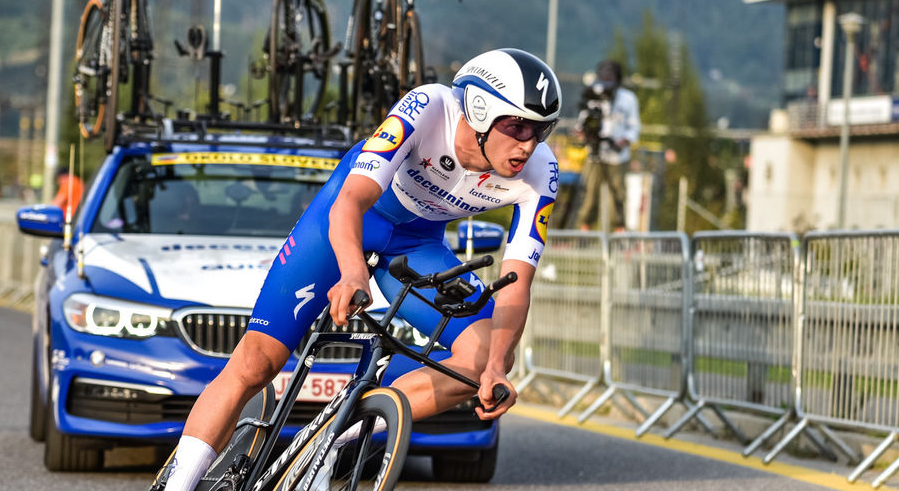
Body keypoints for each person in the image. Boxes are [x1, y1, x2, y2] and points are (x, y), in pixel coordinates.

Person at [160, 48, 562, 491]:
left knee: (484, 358)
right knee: (257, 362)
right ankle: (178, 483)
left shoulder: (540, 170)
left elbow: (517, 282)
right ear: (479, 111)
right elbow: (349, 202)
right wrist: (352, 273)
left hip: (416, 245)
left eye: (542, 129)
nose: (529, 143)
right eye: (518, 126)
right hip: (348, 221)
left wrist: (497, 370)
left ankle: (335, 433)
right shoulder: (428, 108)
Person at [574, 59, 640, 232]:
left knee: (618, 195)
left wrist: (623, 141)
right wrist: (583, 133)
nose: (606, 79)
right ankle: (584, 230)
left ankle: (619, 232)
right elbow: (583, 121)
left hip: (617, 156)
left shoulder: (628, 98)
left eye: (610, 76)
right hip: (595, 152)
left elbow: (634, 127)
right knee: (589, 194)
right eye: (603, 75)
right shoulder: (593, 95)